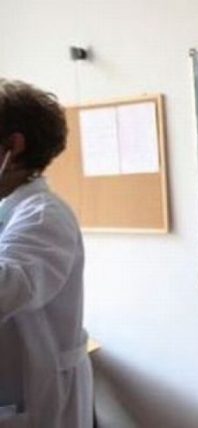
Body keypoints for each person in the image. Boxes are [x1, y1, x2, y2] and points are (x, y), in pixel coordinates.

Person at [0, 79, 92, 427]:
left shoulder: (43, 214)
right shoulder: (10, 209)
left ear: (13, 146)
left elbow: (8, 290)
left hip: (36, 398)